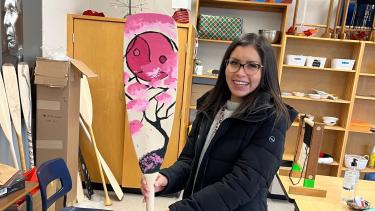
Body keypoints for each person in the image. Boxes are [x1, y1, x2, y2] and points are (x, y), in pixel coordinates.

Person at [141, 33, 298, 210]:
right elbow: (190, 160)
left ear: (265, 71)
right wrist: (166, 178)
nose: (240, 72)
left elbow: (241, 185)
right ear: (226, 65)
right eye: (234, 63)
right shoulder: (210, 106)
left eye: (252, 66)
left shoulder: (272, 119)